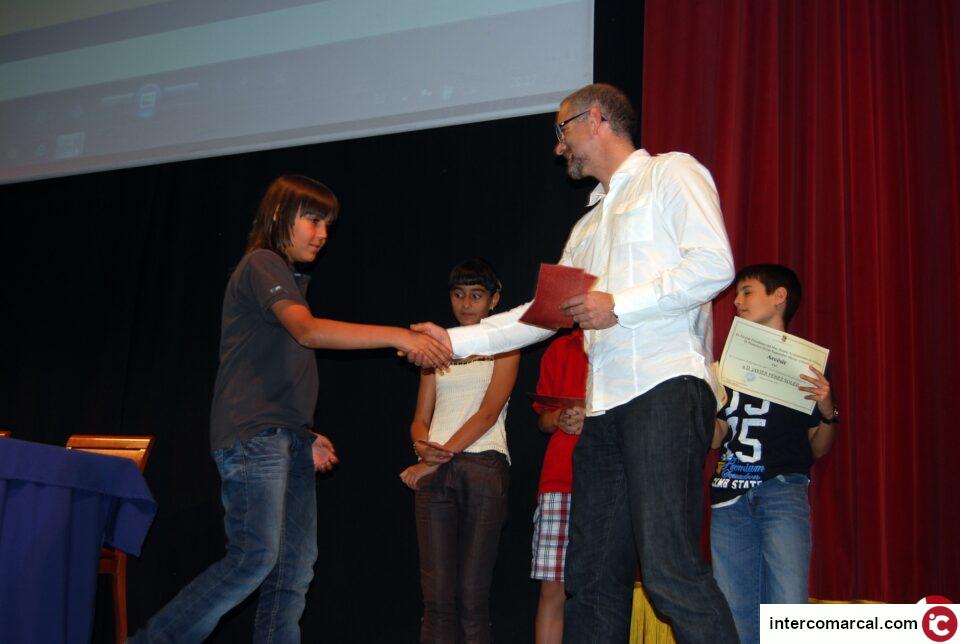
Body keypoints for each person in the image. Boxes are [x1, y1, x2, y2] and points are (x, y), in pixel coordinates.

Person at [407, 83, 739, 643]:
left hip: (666, 385)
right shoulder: (586, 227)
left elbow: (714, 264)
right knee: (589, 576)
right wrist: (452, 341)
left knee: (668, 572)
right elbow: (541, 315)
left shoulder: (671, 174)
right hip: (603, 410)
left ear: (597, 119)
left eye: (562, 132)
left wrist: (620, 304)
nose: (559, 149)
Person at [129, 175, 449, 644]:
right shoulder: (262, 263)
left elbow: (275, 366)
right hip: (255, 435)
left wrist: (304, 434)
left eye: (327, 226)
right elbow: (308, 332)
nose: (322, 234)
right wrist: (400, 335)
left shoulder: (289, 280)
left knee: (293, 570)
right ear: (280, 216)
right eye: (313, 220)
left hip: (284, 437)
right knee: (253, 558)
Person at [710, 264, 838, 644]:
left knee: (788, 610)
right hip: (727, 497)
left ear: (779, 296)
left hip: (782, 490)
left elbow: (816, 447)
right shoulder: (725, 364)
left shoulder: (806, 365)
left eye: (747, 291)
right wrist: (704, 396)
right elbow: (715, 439)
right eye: (737, 294)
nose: (736, 301)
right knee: (734, 614)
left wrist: (829, 409)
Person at [399, 258, 520, 644]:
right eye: (458, 295)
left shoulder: (505, 343)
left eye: (476, 295)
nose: (466, 304)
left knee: (471, 598)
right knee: (435, 600)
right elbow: (420, 418)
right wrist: (423, 447)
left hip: (483, 464)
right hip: (435, 468)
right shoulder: (436, 347)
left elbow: (488, 413)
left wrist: (437, 456)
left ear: (494, 300)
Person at [530, 329, 587, 644]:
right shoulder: (560, 347)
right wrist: (559, 418)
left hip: (614, 479)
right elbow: (542, 419)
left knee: (602, 589)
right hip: (560, 478)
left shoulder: (629, 339)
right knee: (552, 588)